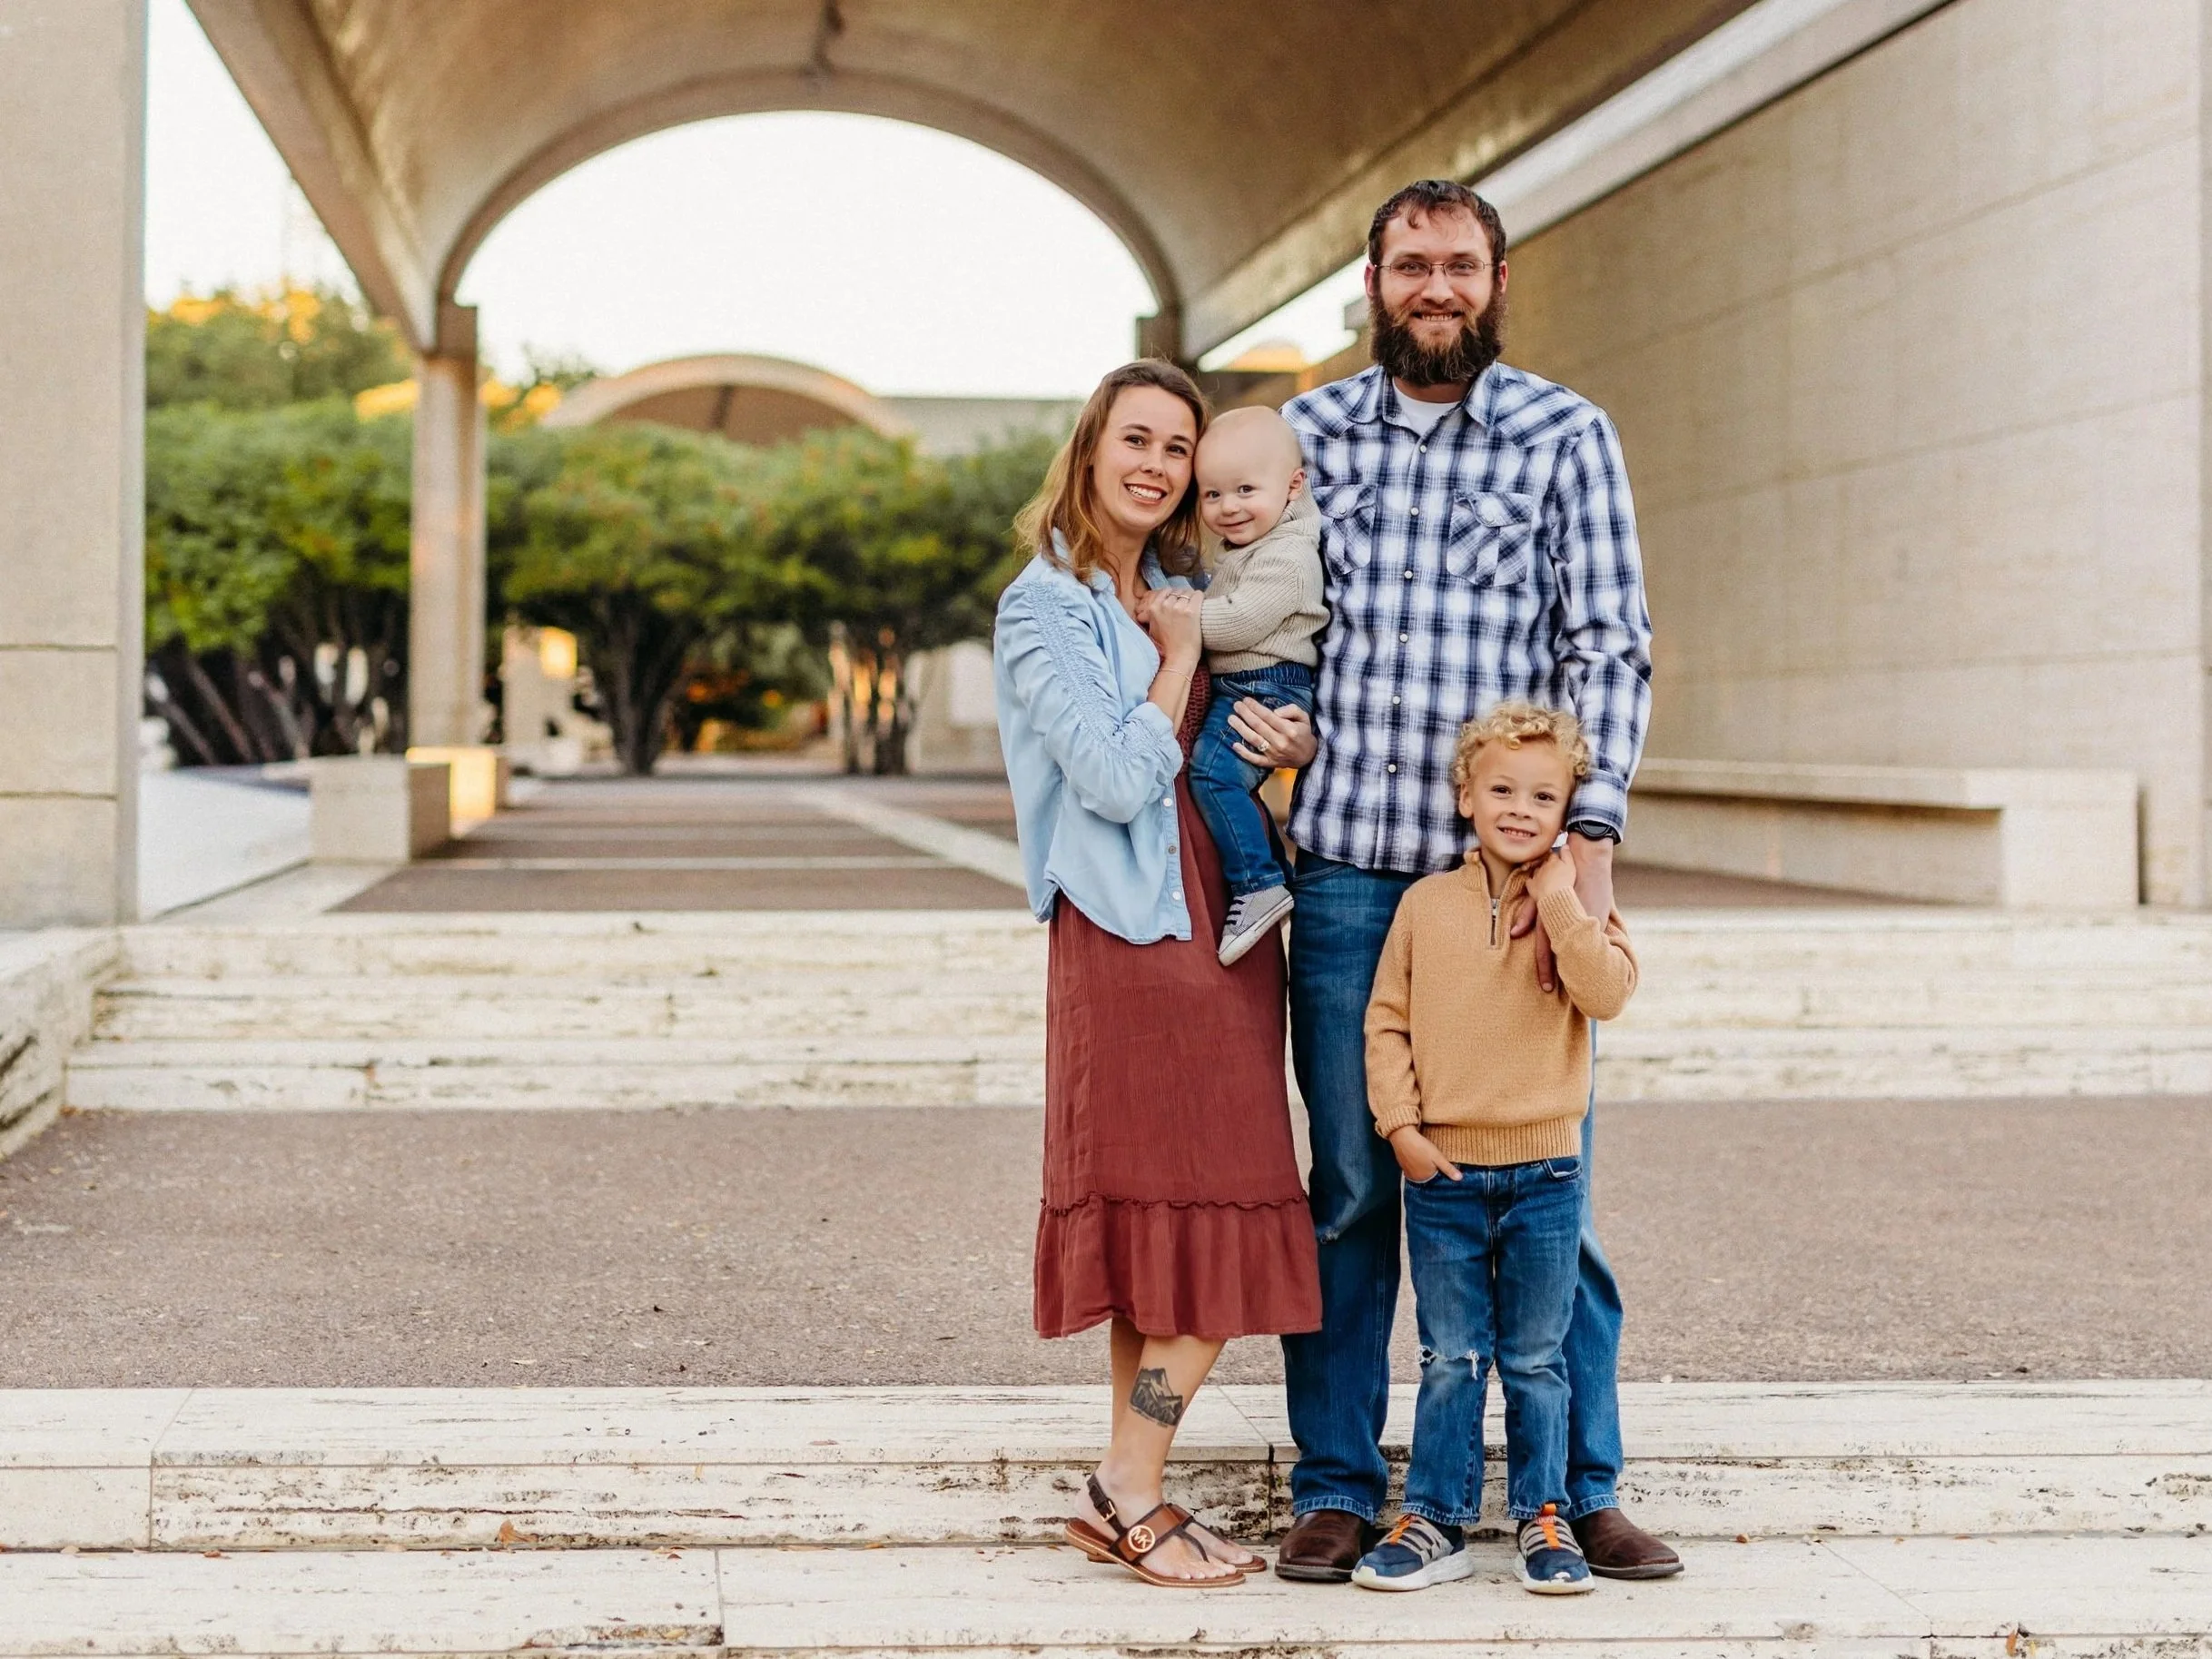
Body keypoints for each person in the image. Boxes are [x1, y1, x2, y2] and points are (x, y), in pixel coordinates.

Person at [1228, 178, 1672, 1582]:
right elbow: (1256, 617)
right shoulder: (1303, 439)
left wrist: (1583, 845)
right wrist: (1272, 729)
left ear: (1495, 277)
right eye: (1410, 262)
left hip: (1512, 881)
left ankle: (1578, 1483)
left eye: (1459, 263)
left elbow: (1608, 640)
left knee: (1553, 1180)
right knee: (1354, 1185)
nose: (1436, 284)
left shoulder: (1565, 434)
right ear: (1372, 281)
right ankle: (1342, 1482)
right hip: (1356, 870)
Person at [992, 358, 1323, 1590]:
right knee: (1207, 1207)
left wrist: (1288, 742)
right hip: (1138, 939)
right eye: (1136, 438)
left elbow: (1249, 737)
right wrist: (1179, 661)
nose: (1158, 464)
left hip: (1221, 921)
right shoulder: (1046, 606)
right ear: (1088, 451)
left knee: (1183, 1222)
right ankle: (1125, 1489)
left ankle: (1129, 1480)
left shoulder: (1185, 585)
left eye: (1177, 447)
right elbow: (1119, 777)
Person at [1351, 703, 1636, 1596]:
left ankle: (1544, 1515)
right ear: (1465, 795)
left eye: (1544, 795)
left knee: (1538, 1359)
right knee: (1450, 1355)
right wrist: (1401, 1129)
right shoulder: (1424, 906)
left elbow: (1607, 993)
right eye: (1502, 788)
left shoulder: (1577, 904)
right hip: (1444, 1175)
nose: (1520, 806)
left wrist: (1559, 895)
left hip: (1548, 1174)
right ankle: (1436, 1516)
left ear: (1567, 812)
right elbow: (1386, 1020)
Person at [1184, 406, 1328, 966]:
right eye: (1212, 494)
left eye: (1245, 489)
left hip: (1267, 686)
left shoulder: (1289, 554)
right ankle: (1272, 876)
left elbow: (1241, 622)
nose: (1228, 507)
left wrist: (1178, 618)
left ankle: (1258, 884)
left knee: (1212, 775)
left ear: (1293, 486)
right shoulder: (1251, 545)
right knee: (1228, 783)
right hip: (1250, 682)